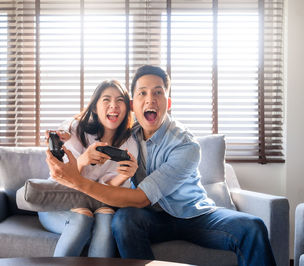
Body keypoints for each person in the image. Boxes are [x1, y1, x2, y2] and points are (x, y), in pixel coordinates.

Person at [46, 65, 276, 266]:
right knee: (124, 220)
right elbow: (90, 121)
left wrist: (78, 181)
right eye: (142, 93)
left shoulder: (186, 145)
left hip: (192, 215)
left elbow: (141, 198)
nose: (150, 100)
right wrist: (64, 134)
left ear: (168, 102)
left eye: (158, 93)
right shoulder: (129, 137)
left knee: (252, 226)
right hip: (151, 218)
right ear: (133, 105)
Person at [39, 80, 138, 258]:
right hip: (58, 203)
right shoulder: (74, 129)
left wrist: (122, 177)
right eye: (106, 99)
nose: (113, 105)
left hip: (97, 207)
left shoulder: (130, 144)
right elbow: (59, 177)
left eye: (120, 100)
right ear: (94, 108)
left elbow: (109, 195)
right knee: (83, 215)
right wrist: (83, 160)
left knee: (107, 214)